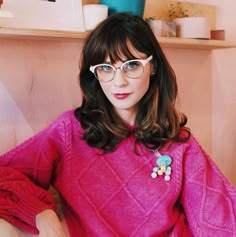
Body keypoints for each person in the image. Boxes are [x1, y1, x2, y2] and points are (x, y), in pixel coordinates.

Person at [0, 12, 236, 237]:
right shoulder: (69, 131)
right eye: (105, 68)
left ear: (153, 67)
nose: (119, 81)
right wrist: (42, 214)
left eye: (131, 65)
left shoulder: (179, 143)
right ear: (95, 75)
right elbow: (5, 174)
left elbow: (219, 220)